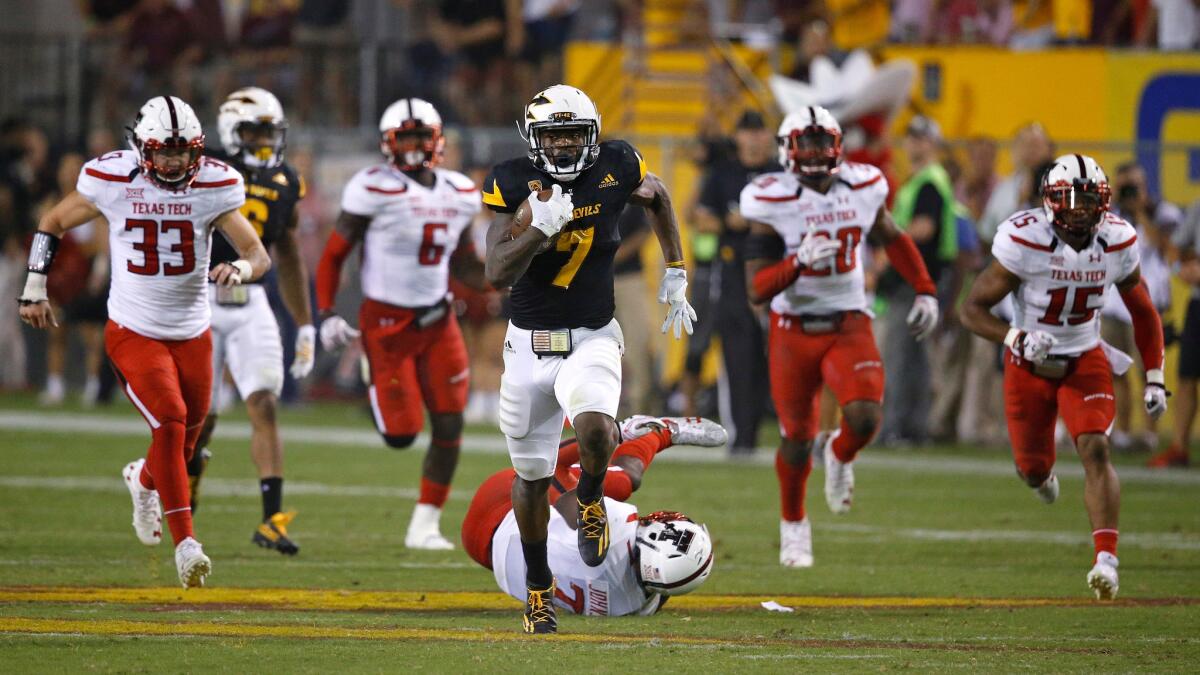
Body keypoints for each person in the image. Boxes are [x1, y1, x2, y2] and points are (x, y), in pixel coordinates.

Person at [17, 95, 270, 588]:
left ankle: (143, 478)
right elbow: (52, 222)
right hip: (134, 329)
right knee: (172, 423)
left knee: (187, 442)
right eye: (164, 151)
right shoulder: (112, 179)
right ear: (141, 148)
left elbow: (257, 253)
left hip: (193, 332)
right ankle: (188, 545)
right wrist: (33, 286)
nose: (174, 161)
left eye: (183, 151)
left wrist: (239, 268)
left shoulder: (215, 184)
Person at [482, 84, 695, 633]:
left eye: (573, 133)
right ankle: (537, 591)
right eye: (553, 136)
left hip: (593, 334)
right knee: (530, 476)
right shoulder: (512, 182)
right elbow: (496, 271)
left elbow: (660, 196)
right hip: (528, 346)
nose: (564, 145)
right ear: (535, 141)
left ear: (592, 134)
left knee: (598, 425)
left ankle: (593, 499)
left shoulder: (618, 163)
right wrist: (537, 229)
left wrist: (675, 270)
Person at [961, 154, 1167, 600]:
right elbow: (971, 310)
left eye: (1089, 199)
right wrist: (1016, 338)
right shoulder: (1023, 239)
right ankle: (1041, 478)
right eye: (1070, 200)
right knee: (1032, 469)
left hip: (1084, 356)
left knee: (1095, 447)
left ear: (1104, 202)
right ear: (1049, 201)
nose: (1080, 209)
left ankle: (1106, 560)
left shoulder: (1116, 240)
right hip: (1028, 364)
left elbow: (1144, 312)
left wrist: (1154, 375)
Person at [741, 105, 939, 568]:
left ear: (837, 147)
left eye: (821, 143)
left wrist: (926, 290)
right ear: (787, 151)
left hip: (849, 319)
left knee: (866, 416)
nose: (813, 154)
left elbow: (892, 236)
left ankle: (840, 450)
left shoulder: (864, 186)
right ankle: (794, 524)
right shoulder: (770, 199)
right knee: (795, 435)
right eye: (804, 144)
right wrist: (797, 263)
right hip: (794, 327)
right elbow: (756, 287)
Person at [317, 97, 485, 549]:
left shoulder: (461, 191)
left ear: (437, 141)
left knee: (450, 423)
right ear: (388, 144)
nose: (412, 147)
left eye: (420, 137)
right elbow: (334, 255)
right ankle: (373, 377)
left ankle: (424, 525)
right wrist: (327, 312)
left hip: (438, 319)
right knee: (401, 435)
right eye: (404, 138)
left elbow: (467, 263)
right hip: (387, 323)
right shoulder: (372, 187)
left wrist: (512, 277)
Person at [183, 88, 314, 555]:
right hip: (199, 297)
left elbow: (291, 254)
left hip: (251, 296)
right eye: (252, 130)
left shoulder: (285, 179)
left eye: (268, 130)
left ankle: (271, 521)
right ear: (229, 131)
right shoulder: (205, 169)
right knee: (203, 418)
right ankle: (186, 498)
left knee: (265, 404)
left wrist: (305, 323)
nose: (262, 140)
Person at [461, 415, 725, 617]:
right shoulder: (635, 606)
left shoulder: (618, 533)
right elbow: (661, 591)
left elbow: (567, 491)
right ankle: (643, 432)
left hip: (501, 504)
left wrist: (609, 438)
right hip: (484, 552)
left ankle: (641, 430)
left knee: (621, 480)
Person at [692, 110, 779, 455]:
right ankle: (743, 437)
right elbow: (702, 218)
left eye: (760, 131)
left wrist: (752, 222)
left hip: (776, 273)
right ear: (738, 136)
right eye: (748, 132)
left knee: (776, 356)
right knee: (738, 356)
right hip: (732, 274)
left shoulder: (781, 174)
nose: (754, 138)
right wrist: (733, 223)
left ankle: (793, 432)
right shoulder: (724, 173)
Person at [877, 115, 958, 445]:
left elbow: (924, 227)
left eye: (922, 138)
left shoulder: (929, 181)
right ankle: (914, 428)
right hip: (919, 281)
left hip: (914, 282)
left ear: (934, 144)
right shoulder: (922, 180)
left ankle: (895, 427)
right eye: (911, 137)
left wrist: (889, 249)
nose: (915, 143)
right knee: (915, 359)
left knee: (899, 356)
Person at [1151, 196, 1200, 467]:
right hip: (1198, 301)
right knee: (1187, 376)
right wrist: (1183, 269)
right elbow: (1175, 249)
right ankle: (1179, 446)